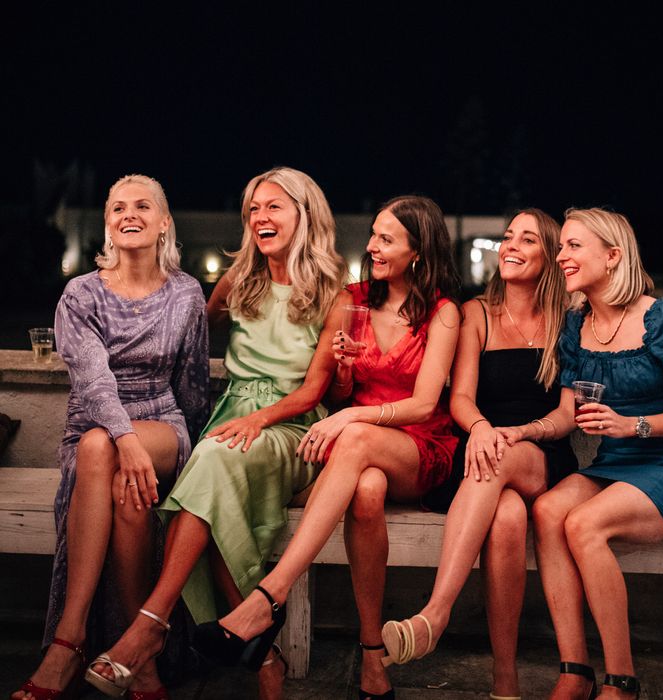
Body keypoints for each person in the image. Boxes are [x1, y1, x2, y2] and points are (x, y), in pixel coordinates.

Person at [83, 166, 347, 699]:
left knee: (210, 461)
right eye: (253, 209)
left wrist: (257, 419)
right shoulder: (238, 281)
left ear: (304, 213)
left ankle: (148, 627)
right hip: (231, 420)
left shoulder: (334, 291)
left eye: (273, 206)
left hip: (292, 428)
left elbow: (313, 391)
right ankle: (262, 655)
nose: (260, 217)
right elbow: (180, 336)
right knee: (211, 468)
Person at [188, 195, 461, 700]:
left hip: (418, 447)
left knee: (356, 441)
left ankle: (270, 595)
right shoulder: (353, 299)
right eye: (374, 235)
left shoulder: (443, 313)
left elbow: (425, 405)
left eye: (386, 239)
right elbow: (335, 393)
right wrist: (345, 371)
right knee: (367, 492)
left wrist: (353, 415)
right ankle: (373, 654)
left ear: (418, 251)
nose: (373, 247)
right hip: (362, 456)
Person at [12, 175, 209, 700]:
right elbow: (94, 381)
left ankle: (67, 643)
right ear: (107, 223)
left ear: (164, 221)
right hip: (95, 428)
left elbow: (191, 386)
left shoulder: (187, 293)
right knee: (113, 468)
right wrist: (125, 439)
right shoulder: (81, 294)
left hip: (162, 426)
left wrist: (194, 462)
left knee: (109, 450)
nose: (130, 214)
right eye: (118, 207)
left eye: (143, 206)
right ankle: (137, 658)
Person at [380, 209, 578, 699]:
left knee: (503, 458)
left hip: (540, 448)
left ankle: (437, 613)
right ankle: (504, 681)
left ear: (549, 255)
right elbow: (461, 398)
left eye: (527, 239)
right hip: (482, 447)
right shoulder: (476, 313)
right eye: (508, 236)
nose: (510, 245)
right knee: (507, 517)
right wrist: (485, 429)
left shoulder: (568, 321)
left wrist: (522, 432)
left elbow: (570, 414)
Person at [533, 208, 663, 699]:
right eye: (561, 246)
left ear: (613, 256)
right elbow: (567, 412)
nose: (561, 256)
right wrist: (517, 431)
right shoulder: (577, 326)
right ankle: (574, 671)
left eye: (574, 246)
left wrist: (632, 424)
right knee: (548, 509)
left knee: (583, 523)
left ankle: (621, 681)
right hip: (616, 466)